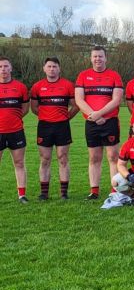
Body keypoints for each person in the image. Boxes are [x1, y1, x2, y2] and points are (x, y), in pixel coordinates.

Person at [75, 46, 123, 200]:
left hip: (109, 122)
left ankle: (115, 189)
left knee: (113, 157)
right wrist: (94, 116)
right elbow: (79, 99)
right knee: (94, 158)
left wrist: (99, 114)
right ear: (90, 58)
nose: (98, 59)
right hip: (91, 122)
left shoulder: (114, 75)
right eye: (95, 56)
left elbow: (116, 100)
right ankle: (94, 191)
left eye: (100, 56)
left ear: (105, 58)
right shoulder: (83, 76)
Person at [30, 57, 79, 200]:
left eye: (55, 66)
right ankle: (44, 193)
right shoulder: (37, 86)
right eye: (49, 66)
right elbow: (34, 108)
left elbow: (76, 105)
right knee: (45, 159)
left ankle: (64, 193)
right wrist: (46, 116)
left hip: (62, 126)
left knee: (62, 158)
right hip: (45, 126)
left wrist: (66, 117)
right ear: (44, 68)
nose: (52, 69)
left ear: (59, 68)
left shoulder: (68, 85)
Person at [0, 56, 30, 203]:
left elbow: (25, 109)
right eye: (0, 67)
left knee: (19, 163)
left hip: (16, 131)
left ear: (11, 68)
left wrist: (14, 119)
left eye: (6, 66)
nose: (3, 69)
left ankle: (22, 195)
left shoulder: (21, 87)